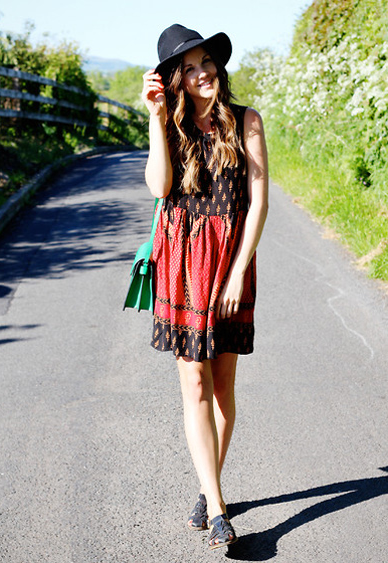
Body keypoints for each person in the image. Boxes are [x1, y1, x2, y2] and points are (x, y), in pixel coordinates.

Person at [141, 23, 268, 550]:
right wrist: (155, 119)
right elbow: (159, 187)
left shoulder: (246, 121)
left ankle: (205, 484)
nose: (202, 73)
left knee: (221, 386)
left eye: (206, 62)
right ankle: (217, 507)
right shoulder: (171, 125)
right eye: (189, 68)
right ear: (176, 79)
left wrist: (239, 269)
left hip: (230, 263)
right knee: (193, 383)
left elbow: (258, 203)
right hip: (182, 265)